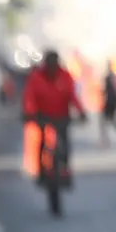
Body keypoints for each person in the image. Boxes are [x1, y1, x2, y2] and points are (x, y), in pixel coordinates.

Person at [22, 49, 88, 182]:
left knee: (64, 141)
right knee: (42, 141)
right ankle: (41, 170)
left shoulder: (65, 76)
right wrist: (29, 113)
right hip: (43, 116)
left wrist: (81, 112)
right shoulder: (37, 77)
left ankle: (65, 168)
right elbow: (29, 97)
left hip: (62, 116)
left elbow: (72, 96)